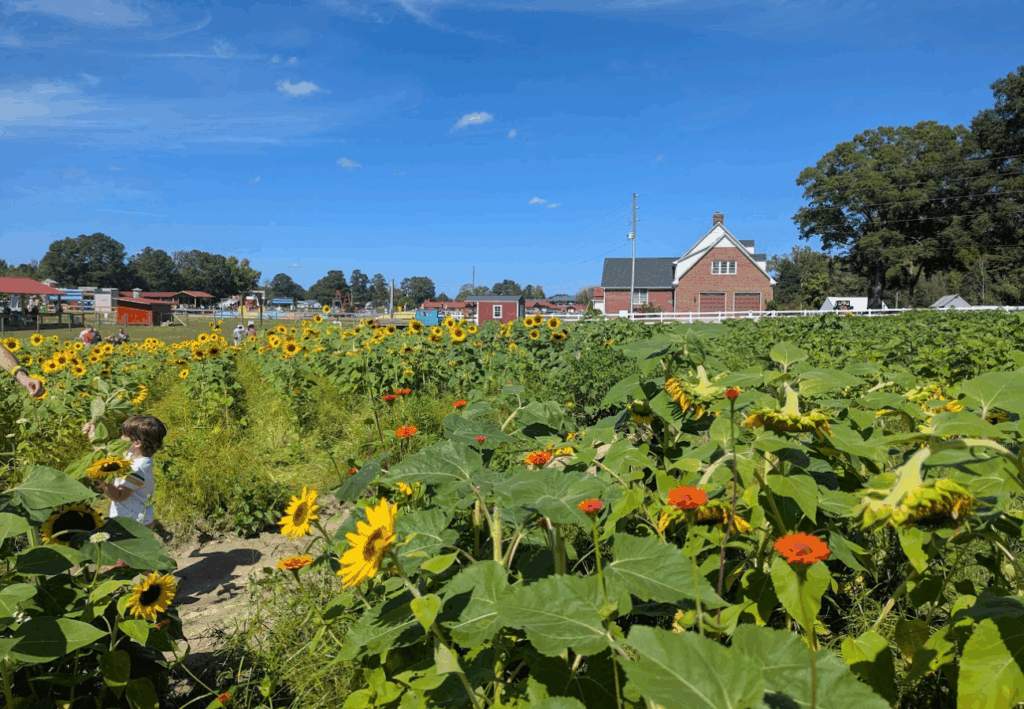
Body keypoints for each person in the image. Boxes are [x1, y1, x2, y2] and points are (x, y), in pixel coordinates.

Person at [101, 415, 167, 530]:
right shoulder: (131, 455)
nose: (121, 437)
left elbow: (119, 495)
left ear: (137, 443)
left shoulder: (137, 469)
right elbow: (103, 454)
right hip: (130, 519)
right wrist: (92, 434)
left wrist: (101, 480)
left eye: (125, 435)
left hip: (134, 525)